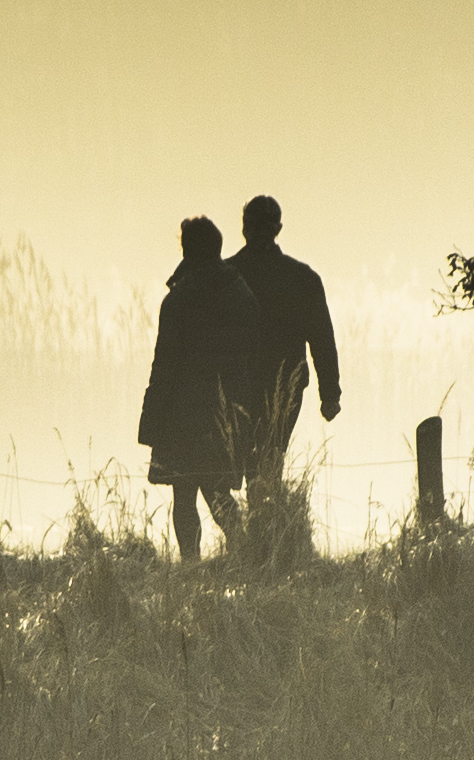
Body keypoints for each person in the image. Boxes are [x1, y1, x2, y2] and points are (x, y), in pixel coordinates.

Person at [137, 214, 265, 561]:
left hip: (182, 416)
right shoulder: (242, 295)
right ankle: (243, 558)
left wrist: (151, 421)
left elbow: (163, 366)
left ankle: (191, 568)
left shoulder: (178, 301)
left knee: (184, 495)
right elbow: (253, 357)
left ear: (187, 250)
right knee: (219, 492)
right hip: (226, 412)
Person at [223, 193, 341, 503]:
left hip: (238, 386)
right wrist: (330, 395)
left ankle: (257, 532)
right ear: (279, 228)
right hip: (286, 386)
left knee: (249, 461)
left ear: (245, 228)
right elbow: (322, 340)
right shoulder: (302, 278)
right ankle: (266, 527)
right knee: (272, 456)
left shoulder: (227, 276)